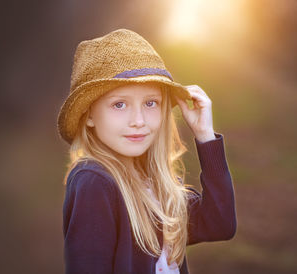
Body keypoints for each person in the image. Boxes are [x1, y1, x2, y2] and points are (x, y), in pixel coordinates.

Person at [57, 28, 237, 274]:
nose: (138, 120)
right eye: (119, 104)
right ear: (89, 115)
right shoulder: (95, 182)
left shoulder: (156, 184)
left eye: (150, 103)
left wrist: (205, 136)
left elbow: (220, 224)